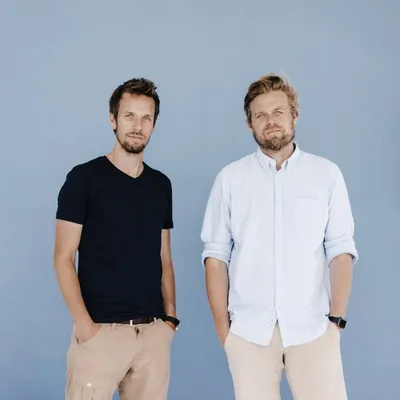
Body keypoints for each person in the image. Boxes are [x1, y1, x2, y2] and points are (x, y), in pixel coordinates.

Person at [200, 73, 358, 400]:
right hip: (249, 333)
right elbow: (215, 257)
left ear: (294, 116)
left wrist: (336, 323)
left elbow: (340, 251)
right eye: (260, 115)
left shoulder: (326, 174)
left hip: (314, 329)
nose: (270, 121)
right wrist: (225, 333)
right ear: (250, 124)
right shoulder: (230, 179)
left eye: (278, 112)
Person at [53, 77, 180, 400]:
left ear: (154, 124)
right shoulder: (84, 179)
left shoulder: (160, 185)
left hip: (152, 335)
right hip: (100, 334)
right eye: (129, 116)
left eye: (146, 118)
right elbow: (63, 258)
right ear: (113, 119)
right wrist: (85, 327)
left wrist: (169, 319)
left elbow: (164, 257)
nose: (137, 126)